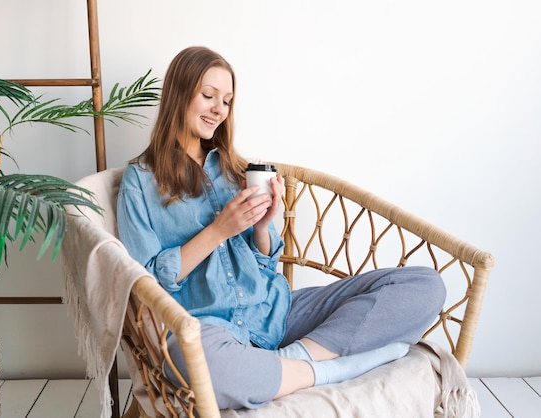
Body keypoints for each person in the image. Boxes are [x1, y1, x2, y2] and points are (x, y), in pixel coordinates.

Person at [117, 46, 446, 410]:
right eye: (208, 96)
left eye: (226, 101)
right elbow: (144, 283)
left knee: (424, 286)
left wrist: (262, 226)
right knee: (190, 362)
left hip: (274, 312)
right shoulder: (139, 181)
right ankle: (329, 369)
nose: (218, 110)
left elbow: (264, 267)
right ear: (179, 93)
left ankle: (291, 361)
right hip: (208, 328)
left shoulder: (234, 168)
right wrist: (218, 231)